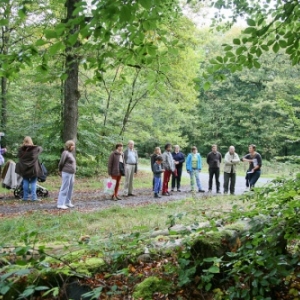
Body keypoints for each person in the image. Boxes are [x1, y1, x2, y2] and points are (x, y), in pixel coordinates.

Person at [15, 136, 43, 202]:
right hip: (33, 169)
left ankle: (25, 197)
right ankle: (34, 198)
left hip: (24, 168)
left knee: (25, 182)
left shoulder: (21, 149)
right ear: (31, 141)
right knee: (33, 182)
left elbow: (18, 156)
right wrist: (33, 145)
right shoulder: (35, 149)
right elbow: (41, 149)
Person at [57, 140, 76, 209]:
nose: (74, 147)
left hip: (71, 173)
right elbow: (61, 162)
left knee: (70, 188)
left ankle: (67, 202)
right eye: (72, 145)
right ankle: (60, 203)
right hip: (66, 172)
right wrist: (60, 170)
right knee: (65, 188)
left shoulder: (70, 153)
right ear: (69, 146)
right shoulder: (65, 153)